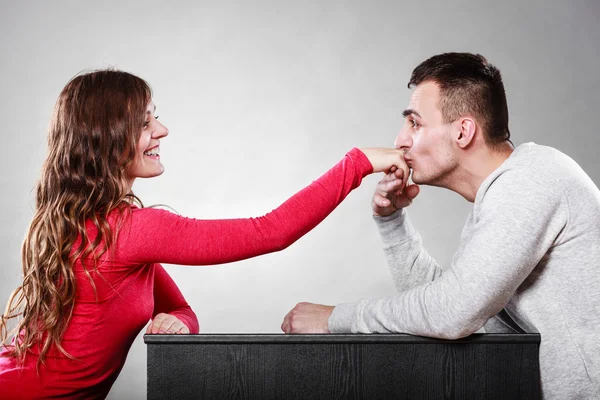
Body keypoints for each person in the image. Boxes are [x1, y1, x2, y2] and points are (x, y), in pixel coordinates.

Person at [0, 69, 407, 399]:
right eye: (144, 123)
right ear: (105, 140)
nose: (162, 129)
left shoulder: (103, 230)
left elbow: (182, 311)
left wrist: (179, 321)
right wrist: (359, 162)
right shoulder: (128, 231)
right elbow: (271, 231)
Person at [281, 53, 600, 399]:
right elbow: (456, 308)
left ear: (463, 131)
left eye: (415, 123)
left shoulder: (530, 182)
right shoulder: (502, 195)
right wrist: (391, 222)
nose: (401, 140)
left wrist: (334, 319)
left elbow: (452, 312)